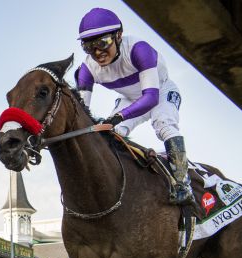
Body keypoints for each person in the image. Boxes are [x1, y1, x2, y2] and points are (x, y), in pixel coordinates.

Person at [75, 8, 194, 205]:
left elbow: (151, 98)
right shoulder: (87, 69)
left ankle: (183, 184)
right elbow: (81, 113)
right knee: (112, 134)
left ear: (119, 35)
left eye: (103, 43)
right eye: (89, 47)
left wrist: (119, 116)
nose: (97, 53)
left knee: (164, 124)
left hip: (160, 92)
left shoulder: (139, 49)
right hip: (129, 99)